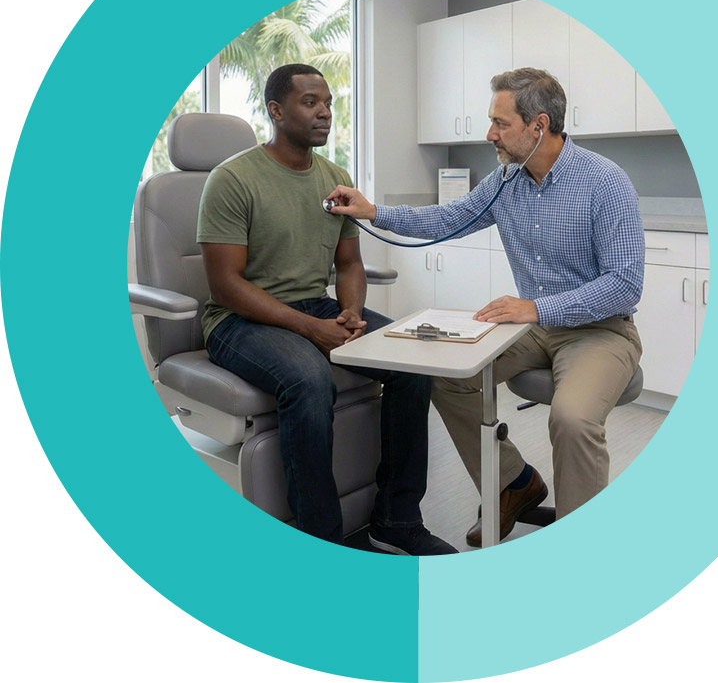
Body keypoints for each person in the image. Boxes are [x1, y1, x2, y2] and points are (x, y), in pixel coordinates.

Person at [327, 67, 644, 546]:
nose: (489, 133)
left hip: (600, 330)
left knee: (572, 418)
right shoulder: (505, 182)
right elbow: (448, 218)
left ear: (538, 126)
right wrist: (373, 211)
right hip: (531, 328)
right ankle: (514, 482)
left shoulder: (604, 182)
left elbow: (624, 285)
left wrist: (535, 308)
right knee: (443, 374)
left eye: (500, 123)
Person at [197, 63, 456, 555]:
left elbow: (349, 263)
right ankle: (321, 541)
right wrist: (310, 329)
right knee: (308, 379)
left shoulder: (336, 179)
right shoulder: (232, 179)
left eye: (329, 103)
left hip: (314, 306)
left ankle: (396, 520)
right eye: (310, 102)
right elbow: (225, 285)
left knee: (411, 364)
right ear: (276, 111)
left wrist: (352, 311)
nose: (325, 113)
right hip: (237, 320)